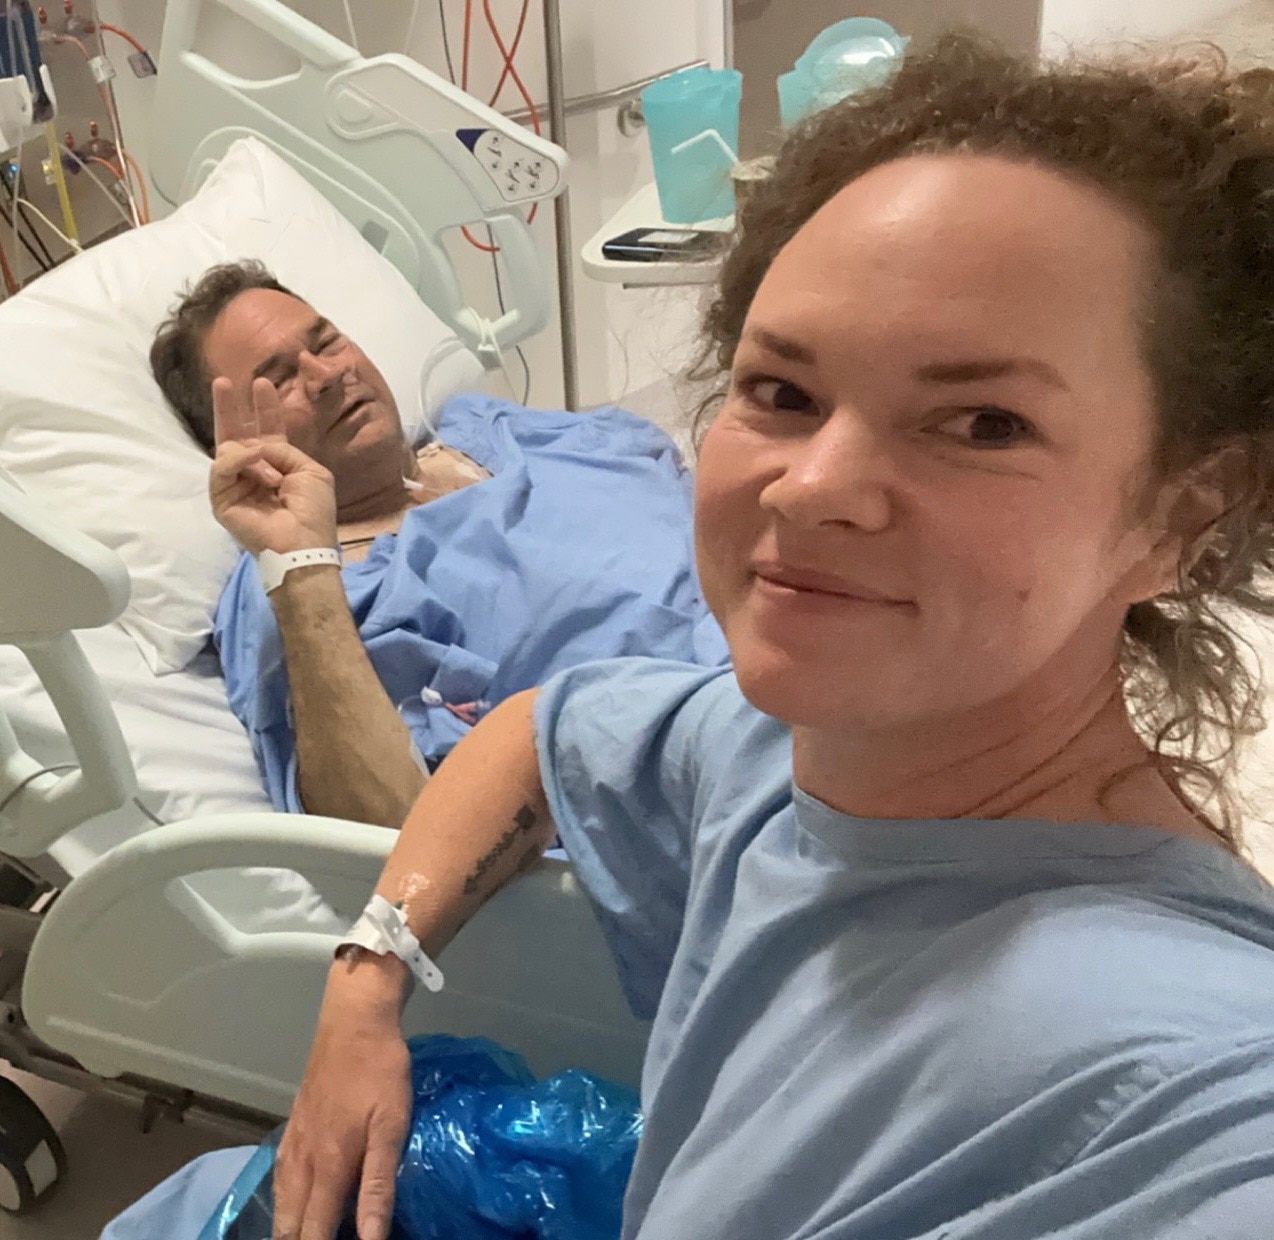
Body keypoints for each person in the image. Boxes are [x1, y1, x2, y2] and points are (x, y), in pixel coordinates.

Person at [274, 33, 1274, 1240]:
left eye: (980, 421)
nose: (807, 489)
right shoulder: (775, 748)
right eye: (783, 393)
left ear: (1182, 514)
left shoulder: (1189, 1089)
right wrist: (365, 977)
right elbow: (543, 723)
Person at [150, 263, 726, 827]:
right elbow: (380, 831)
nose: (325, 373)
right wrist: (299, 564)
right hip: (710, 781)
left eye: (325, 340)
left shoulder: (485, 425)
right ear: (233, 442)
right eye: (277, 381)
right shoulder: (303, 586)